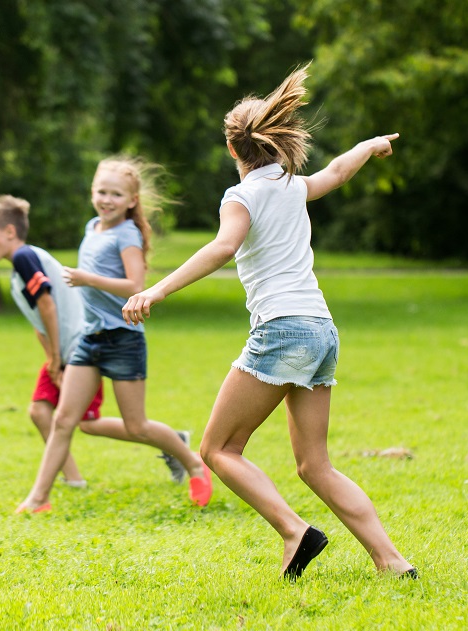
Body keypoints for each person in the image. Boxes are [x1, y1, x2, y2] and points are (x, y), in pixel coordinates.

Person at [121, 65, 416, 580]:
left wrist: (157, 288)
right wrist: (368, 145)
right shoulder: (291, 186)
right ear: (275, 145)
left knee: (217, 448)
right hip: (321, 331)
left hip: (281, 330)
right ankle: (391, 561)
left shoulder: (243, 196)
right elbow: (338, 172)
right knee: (314, 465)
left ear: (234, 151)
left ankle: (294, 531)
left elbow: (222, 246)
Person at [15, 157, 212, 514]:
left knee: (136, 425)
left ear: (131, 200)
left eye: (116, 194)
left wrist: (86, 278)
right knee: (63, 419)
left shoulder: (127, 234)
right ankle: (38, 499)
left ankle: (194, 463)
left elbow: (134, 286)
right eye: (101, 192)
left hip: (123, 338)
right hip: (91, 339)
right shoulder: (93, 227)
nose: (106, 200)